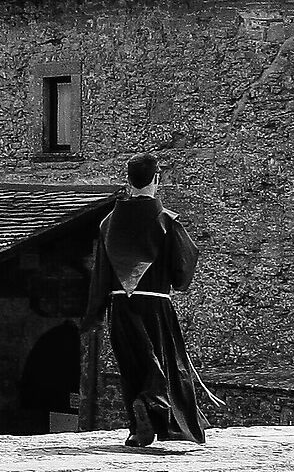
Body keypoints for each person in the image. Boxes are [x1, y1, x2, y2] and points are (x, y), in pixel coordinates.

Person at [84, 153, 209, 448]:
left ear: (128, 181)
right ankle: (154, 402)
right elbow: (181, 274)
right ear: (157, 180)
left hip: (120, 305)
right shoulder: (167, 222)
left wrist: (94, 314)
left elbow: (100, 274)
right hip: (155, 304)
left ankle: (137, 428)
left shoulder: (108, 223)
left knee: (131, 365)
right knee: (164, 361)